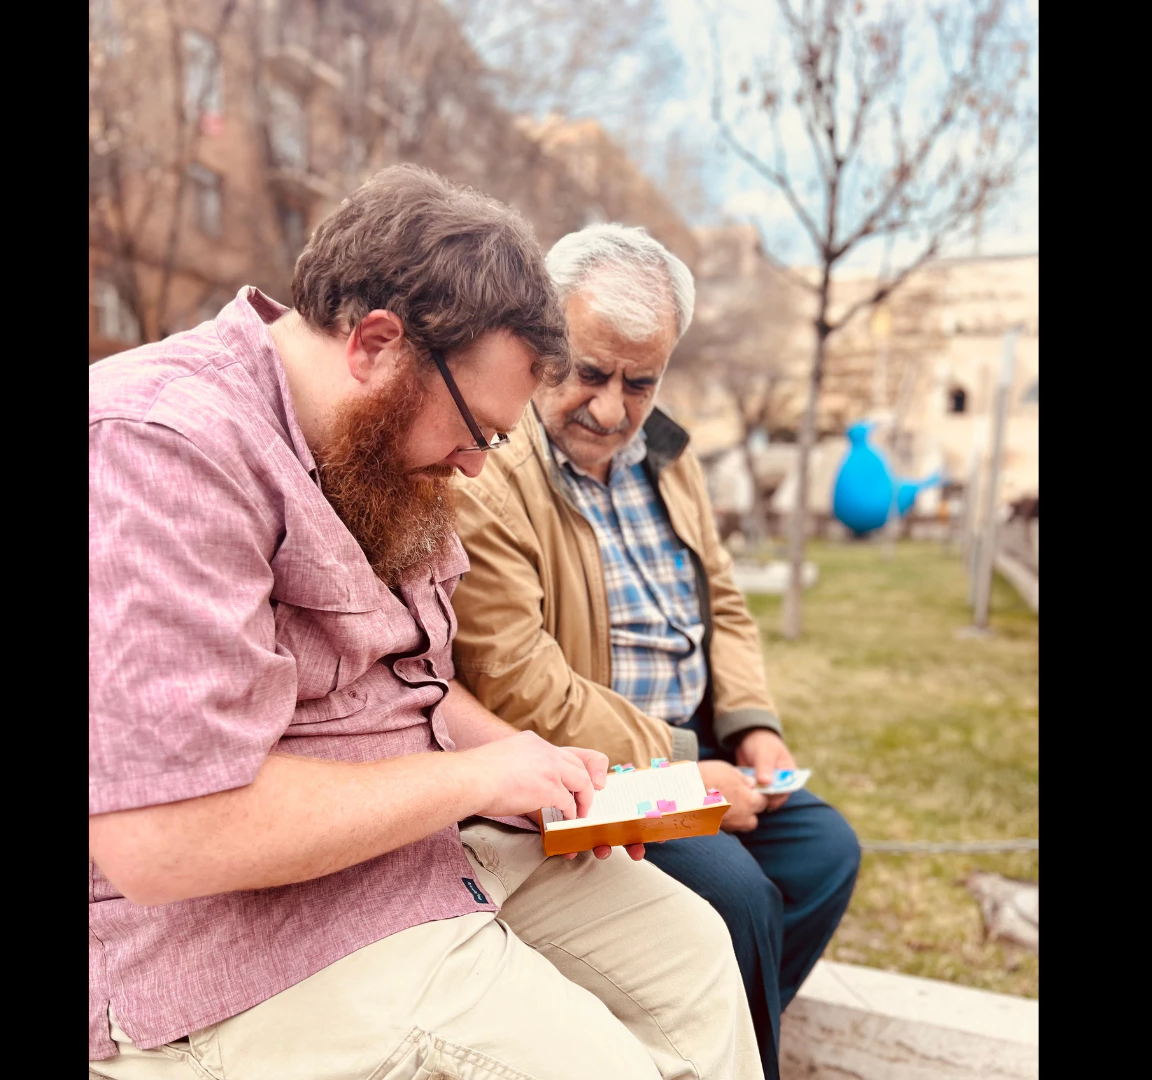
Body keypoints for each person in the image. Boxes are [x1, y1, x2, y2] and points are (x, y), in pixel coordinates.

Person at [89, 168, 761, 1080]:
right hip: (236, 939)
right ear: (377, 344)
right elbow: (168, 836)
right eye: (477, 429)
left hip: (422, 854)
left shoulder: (374, 453)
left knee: (697, 957)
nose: (478, 467)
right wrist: (477, 776)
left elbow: (414, 687)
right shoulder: (162, 446)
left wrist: (542, 770)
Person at [447, 223, 863, 1080]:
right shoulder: (492, 470)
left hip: (692, 745)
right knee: (739, 899)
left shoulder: (669, 457)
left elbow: (725, 604)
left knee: (825, 853)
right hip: (595, 771)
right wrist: (680, 768)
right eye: (588, 372)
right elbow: (517, 681)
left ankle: (706, 1042)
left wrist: (752, 727)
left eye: (640, 382)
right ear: (544, 339)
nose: (610, 410)